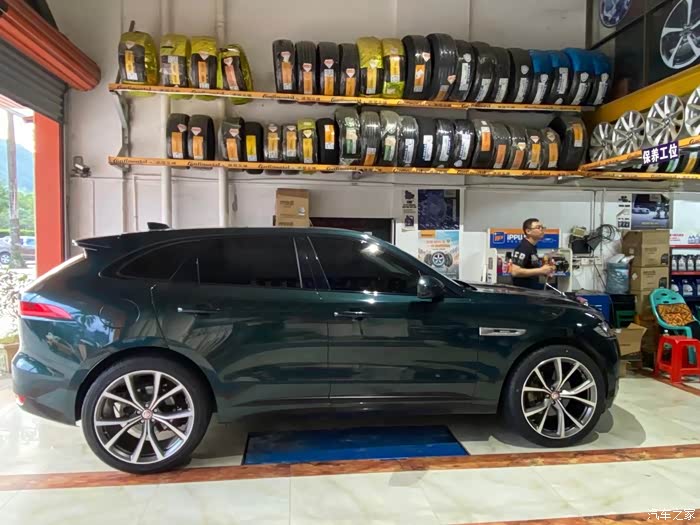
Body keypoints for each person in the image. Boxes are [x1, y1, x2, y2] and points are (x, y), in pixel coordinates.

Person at [511, 218, 556, 289]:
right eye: (538, 227)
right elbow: (515, 271)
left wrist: (544, 272)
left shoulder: (532, 247)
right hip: (523, 291)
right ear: (528, 231)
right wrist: (541, 270)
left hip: (532, 289)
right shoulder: (523, 247)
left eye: (542, 227)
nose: (542, 230)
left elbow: (531, 269)